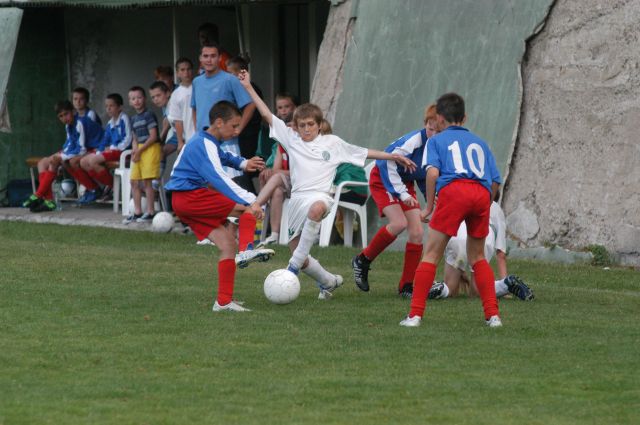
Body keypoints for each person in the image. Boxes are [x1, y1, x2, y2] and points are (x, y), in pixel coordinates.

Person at [240, 70, 417, 300]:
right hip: (297, 200)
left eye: (310, 124)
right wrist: (248, 86)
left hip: (321, 197)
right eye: (302, 125)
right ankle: (329, 281)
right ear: (295, 127)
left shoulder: (333, 143)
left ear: (319, 125)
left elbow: (364, 152)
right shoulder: (291, 139)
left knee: (316, 210)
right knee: (300, 253)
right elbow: (266, 113)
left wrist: (393, 156)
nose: (306, 129)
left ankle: (291, 269)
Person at [400, 93, 503, 328]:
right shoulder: (480, 143)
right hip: (480, 193)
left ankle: (414, 316)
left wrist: (429, 207)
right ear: (464, 118)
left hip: (453, 191)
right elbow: (496, 180)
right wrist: (485, 203)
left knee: (431, 255)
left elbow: (432, 173)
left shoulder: (436, 141)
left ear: (439, 118)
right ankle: (493, 316)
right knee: (478, 257)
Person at [165, 101, 274, 312]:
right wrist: (251, 200)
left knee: (227, 245)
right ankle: (247, 250)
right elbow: (219, 178)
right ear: (218, 122)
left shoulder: (205, 141)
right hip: (191, 197)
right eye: (234, 126)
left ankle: (223, 302)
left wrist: (244, 163)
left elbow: (223, 157)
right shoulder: (203, 144)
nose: (236, 131)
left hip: (182, 201)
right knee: (247, 209)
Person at [352, 104, 438, 297]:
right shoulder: (414, 142)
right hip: (384, 179)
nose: (433, 134)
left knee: (417, 232)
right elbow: (386, 162)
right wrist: (402, 194)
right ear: (425, 124)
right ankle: (362, 260)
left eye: (438, 131)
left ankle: (406, 287)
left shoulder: (436, 147)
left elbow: (424, 177)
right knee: (399, 223)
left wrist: (430, 204)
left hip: (404, 183)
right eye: (430, 128)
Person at [428, 200, 535, 301]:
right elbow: (501, 254)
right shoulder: (496, 208)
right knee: (478, 290)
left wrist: (458, 265)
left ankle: (441, 289)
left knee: (450, 288)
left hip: (458, 236)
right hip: (482, 238)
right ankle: (506, 284)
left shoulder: (463, 196)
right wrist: (504, 281)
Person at [191, 42, 257, 194]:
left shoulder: (230, 79)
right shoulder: (196, 82)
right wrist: (196, 131)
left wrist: (239, 128)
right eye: (205, 56)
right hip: (204, 142)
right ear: (200, 58)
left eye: (213, 56)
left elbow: (251, 104)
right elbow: (194, 108)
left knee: (232, 187)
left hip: (227, 144)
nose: (209, 60)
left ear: (220, 58)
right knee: (207, 187)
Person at [22, 100, 87, 212]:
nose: (64, 118)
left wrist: (62, 157)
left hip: (85, 152)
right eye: (61, 116)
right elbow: (69, 144)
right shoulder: (68, 126)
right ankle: (48, 200)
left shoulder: (80, 123)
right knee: (42, 163)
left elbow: (81, 148)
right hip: (71, 151)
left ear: (72, 111)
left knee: (54, 162)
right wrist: (62, 154)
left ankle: (39, 195)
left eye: (66, 114)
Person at [79, 93, 132, 201]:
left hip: (123, 152)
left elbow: (128, 139)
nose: (108, 109)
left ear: (120, 107)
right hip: (112, 151)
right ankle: (110, 185)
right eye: (107, 106)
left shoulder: (124, 118)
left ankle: (114, 187)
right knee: (83, 162)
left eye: (111, 106)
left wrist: (114, 148)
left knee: (93, 161)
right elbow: (104, 140)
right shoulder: (110, 123)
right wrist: (100, 151)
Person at [123, 86, 160, 224]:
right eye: (133, 99)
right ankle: (137, 212)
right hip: (139, 149)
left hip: (150, 148)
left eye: (139, 97)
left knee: (147, 182)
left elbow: (153, 136)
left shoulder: (149, 115)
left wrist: (140, 150)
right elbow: (134, 138)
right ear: (130, 101)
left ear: (144, 99)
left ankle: (150, 212)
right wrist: (134, 150)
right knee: (134, 181)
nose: (136, 101)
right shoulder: (133, 118)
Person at [69, 87, 104, 204]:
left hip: (95, 147)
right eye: (75, 99)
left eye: (81, 99)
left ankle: (94, 189)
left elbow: (88, 136)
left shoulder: (90, 114)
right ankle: (90, 187)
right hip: (84, 148)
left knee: (74, 161)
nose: (78, 102)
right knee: (66, 161)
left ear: (87, 100)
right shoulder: (74, 116)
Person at [166, 57, 195, 153]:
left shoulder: (200, 86)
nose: (186, 73)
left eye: (188, 69)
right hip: (188, 138)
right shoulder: (176, 94)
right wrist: (180, 142)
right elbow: (177, 120)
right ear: (177, 73)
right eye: (182, 70)